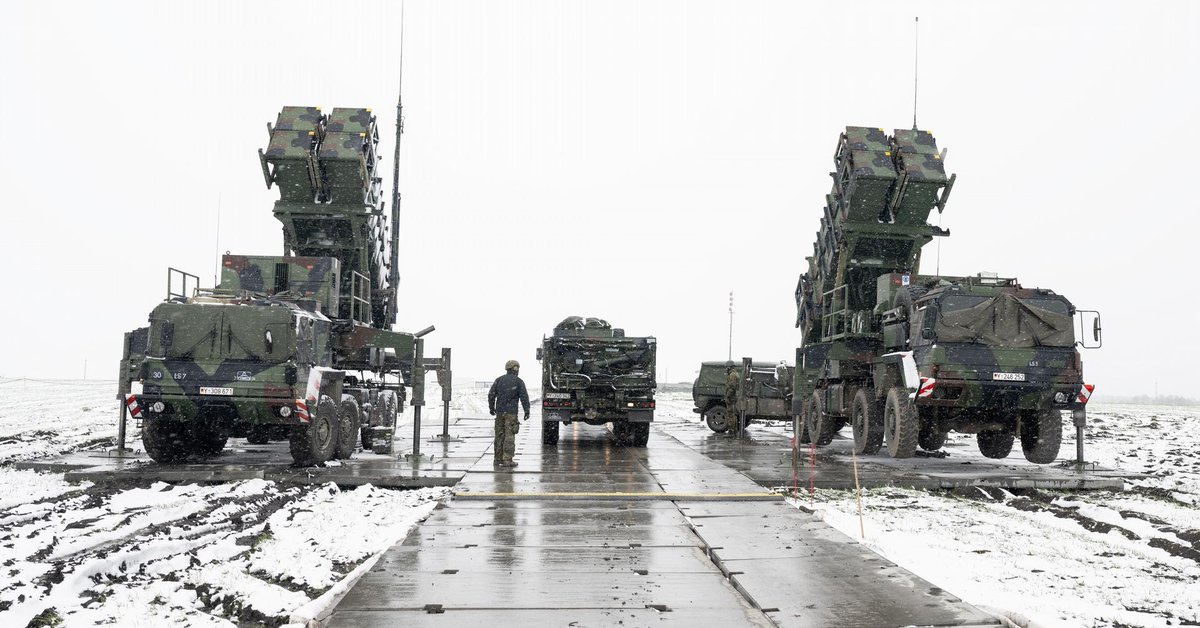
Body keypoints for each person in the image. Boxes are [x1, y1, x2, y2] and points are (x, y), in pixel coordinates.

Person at [488, 359, 530, 468]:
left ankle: (497, 458)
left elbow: (491, 394)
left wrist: (492, 408)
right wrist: (527, 411)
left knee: (499, 435)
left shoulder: (499, 380)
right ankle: (507, 459)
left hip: (500, 413)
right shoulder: (519, 382)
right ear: (515, 369)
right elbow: (524, 397)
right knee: (509, 436)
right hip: (511, 413)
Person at [724, 362, 740, 432]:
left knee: (731, 414)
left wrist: (728, 396)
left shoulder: (732, 375)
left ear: (729, 367)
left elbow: (731, 387)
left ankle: (731, 430)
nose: (725, 369)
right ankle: (734, 429)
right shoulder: (735, 374)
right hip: (733, 397)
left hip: (731, 397)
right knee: (733, 414)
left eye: (726, 367)